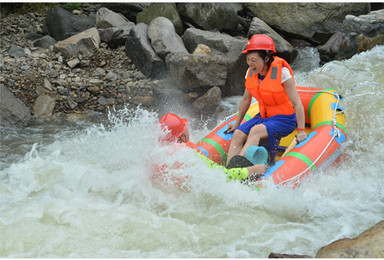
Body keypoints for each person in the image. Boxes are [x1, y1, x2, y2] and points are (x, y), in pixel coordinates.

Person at [226, 34, 307, 167]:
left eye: (253, 60)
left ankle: (238, 168)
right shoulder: (250, 72)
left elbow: (297, 103)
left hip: (285, 120)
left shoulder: (282, 73)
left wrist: (301, 131)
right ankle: (229, 167)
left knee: (256, 131)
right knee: (239, 133)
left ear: (267, 58)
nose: (250, 64)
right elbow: (246, 98)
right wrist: (237, 123)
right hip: (264, 117)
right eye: (247, 59)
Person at [158, 113, 267, 182]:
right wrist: (253, 170)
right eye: (185, 127)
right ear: (182, 136)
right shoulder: (187, 155)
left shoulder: (159, 154)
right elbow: (222, 177)